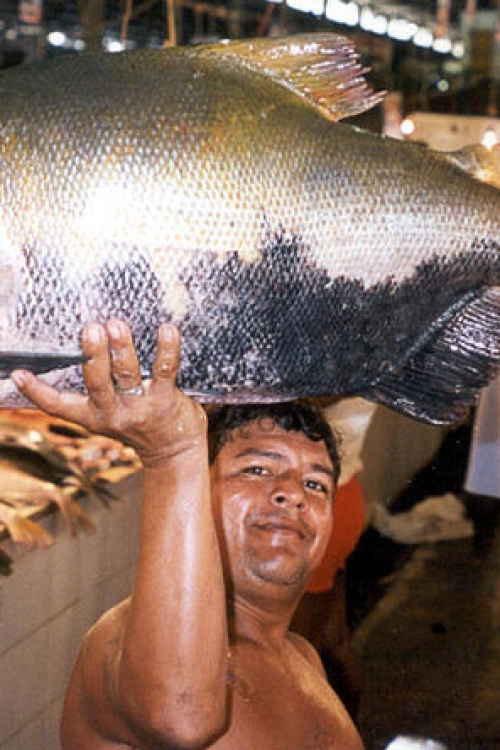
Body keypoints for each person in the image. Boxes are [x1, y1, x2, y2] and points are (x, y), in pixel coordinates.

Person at [11, 319, 364, 750]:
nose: (292, 493)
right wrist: (172, 453)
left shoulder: (304, 660)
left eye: (315, 484)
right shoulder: (118, 641)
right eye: (257, 469)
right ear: (197, 493)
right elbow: (181, 718)